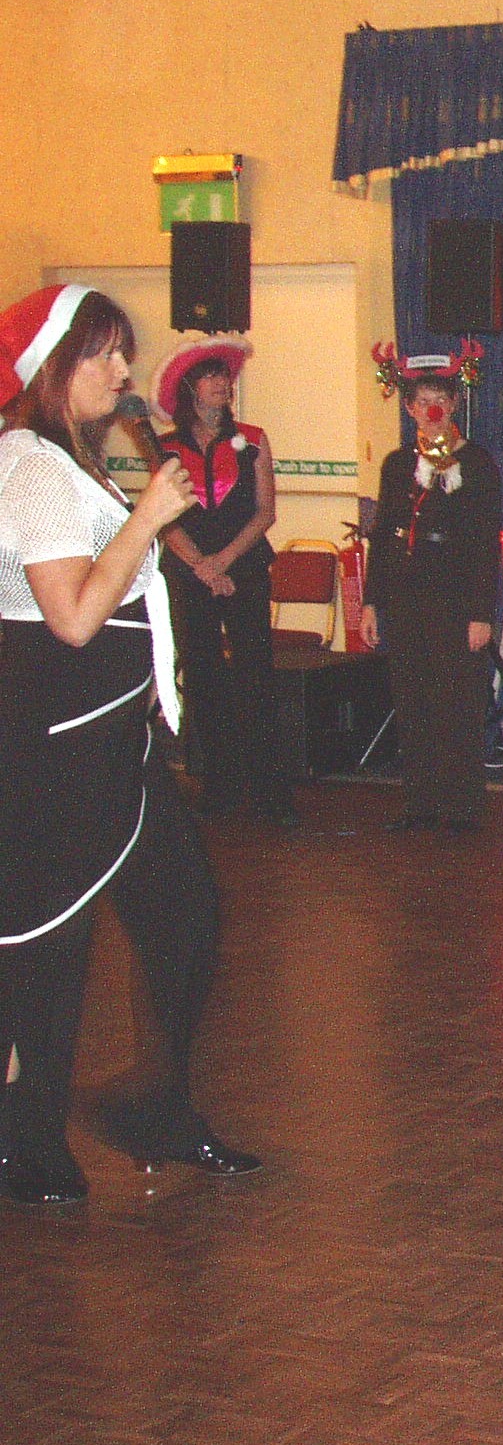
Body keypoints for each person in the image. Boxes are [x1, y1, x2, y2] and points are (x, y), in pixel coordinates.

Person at [0, 285, 259, 1206]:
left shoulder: (74, 464)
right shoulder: (31, 468)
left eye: (122, 353)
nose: (123, 371)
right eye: (103, 354)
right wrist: (148, 519)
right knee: (49, 945)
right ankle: (26, 1143)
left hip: (118, 743)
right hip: (57, 748)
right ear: (51, 368)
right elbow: (72, 617)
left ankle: (154, 1105)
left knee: (185, 914)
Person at [156, 339, 295, 827]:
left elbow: (265, 511)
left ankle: (269, 793)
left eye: (225, 376)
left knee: (255, 675)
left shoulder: (253, 440)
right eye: (211, 376)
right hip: (189, 572)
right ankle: (218, 788)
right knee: (202, 676)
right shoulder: (165, 446)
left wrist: (225, 563)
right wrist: (202, 566)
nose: (222, 383)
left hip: (245, 568)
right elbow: (164, 519)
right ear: (190, 388)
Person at [363, 354, 503, 835]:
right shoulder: (397, 464)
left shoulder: (477, 464)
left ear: (455, 403)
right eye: (422, 401)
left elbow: (485, 543)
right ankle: (419, 803)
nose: (432, 409)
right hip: (405, 598)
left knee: (458, 703)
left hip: (456, 601)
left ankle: (461, 807)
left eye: (440, 399)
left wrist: (481, 613)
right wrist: (371, 602)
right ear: (409, 408)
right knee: (413, 701)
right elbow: (383, 536)